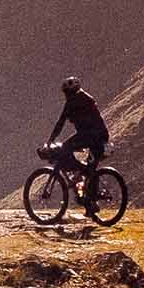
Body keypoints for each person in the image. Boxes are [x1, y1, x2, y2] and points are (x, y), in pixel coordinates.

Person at [47, 74, 110, 211]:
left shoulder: (73, 101)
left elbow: (60, 122)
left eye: (66, 92)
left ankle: (78, 172)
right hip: (100, 136)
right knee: (91, 168)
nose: (66, 95)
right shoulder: (85, 97)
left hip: (89, 135)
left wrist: (51, 139)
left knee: (65, 148)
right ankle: (90, 203)